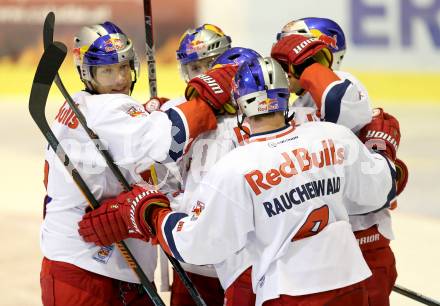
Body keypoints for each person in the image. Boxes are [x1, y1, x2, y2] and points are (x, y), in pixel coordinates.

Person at [78, 55, 400, 306]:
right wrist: (381, 149)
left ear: (239, 104)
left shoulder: (236, 167)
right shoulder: (333, 137)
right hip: (351, 283)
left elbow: (193, 244)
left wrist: (150, 212)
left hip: (288, 292)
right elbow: (384, 186)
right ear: (285, 97)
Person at [39, 21, 236, 306]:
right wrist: (207, 98)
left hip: (101, 265)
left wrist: (150, 115)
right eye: (107, 71)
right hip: (86, 270)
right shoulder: (107, 109)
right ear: (86, 73)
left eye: (123, 67)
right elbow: (170, 142)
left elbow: (141, 160)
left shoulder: (80, 107)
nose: (119, 79)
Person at [273, 17, 408, 306]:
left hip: (362, 239)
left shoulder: (344, 84)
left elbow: (343, 114)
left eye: (294, 47)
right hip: (318, 246)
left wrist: (309, 67)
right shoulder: (295, 103)